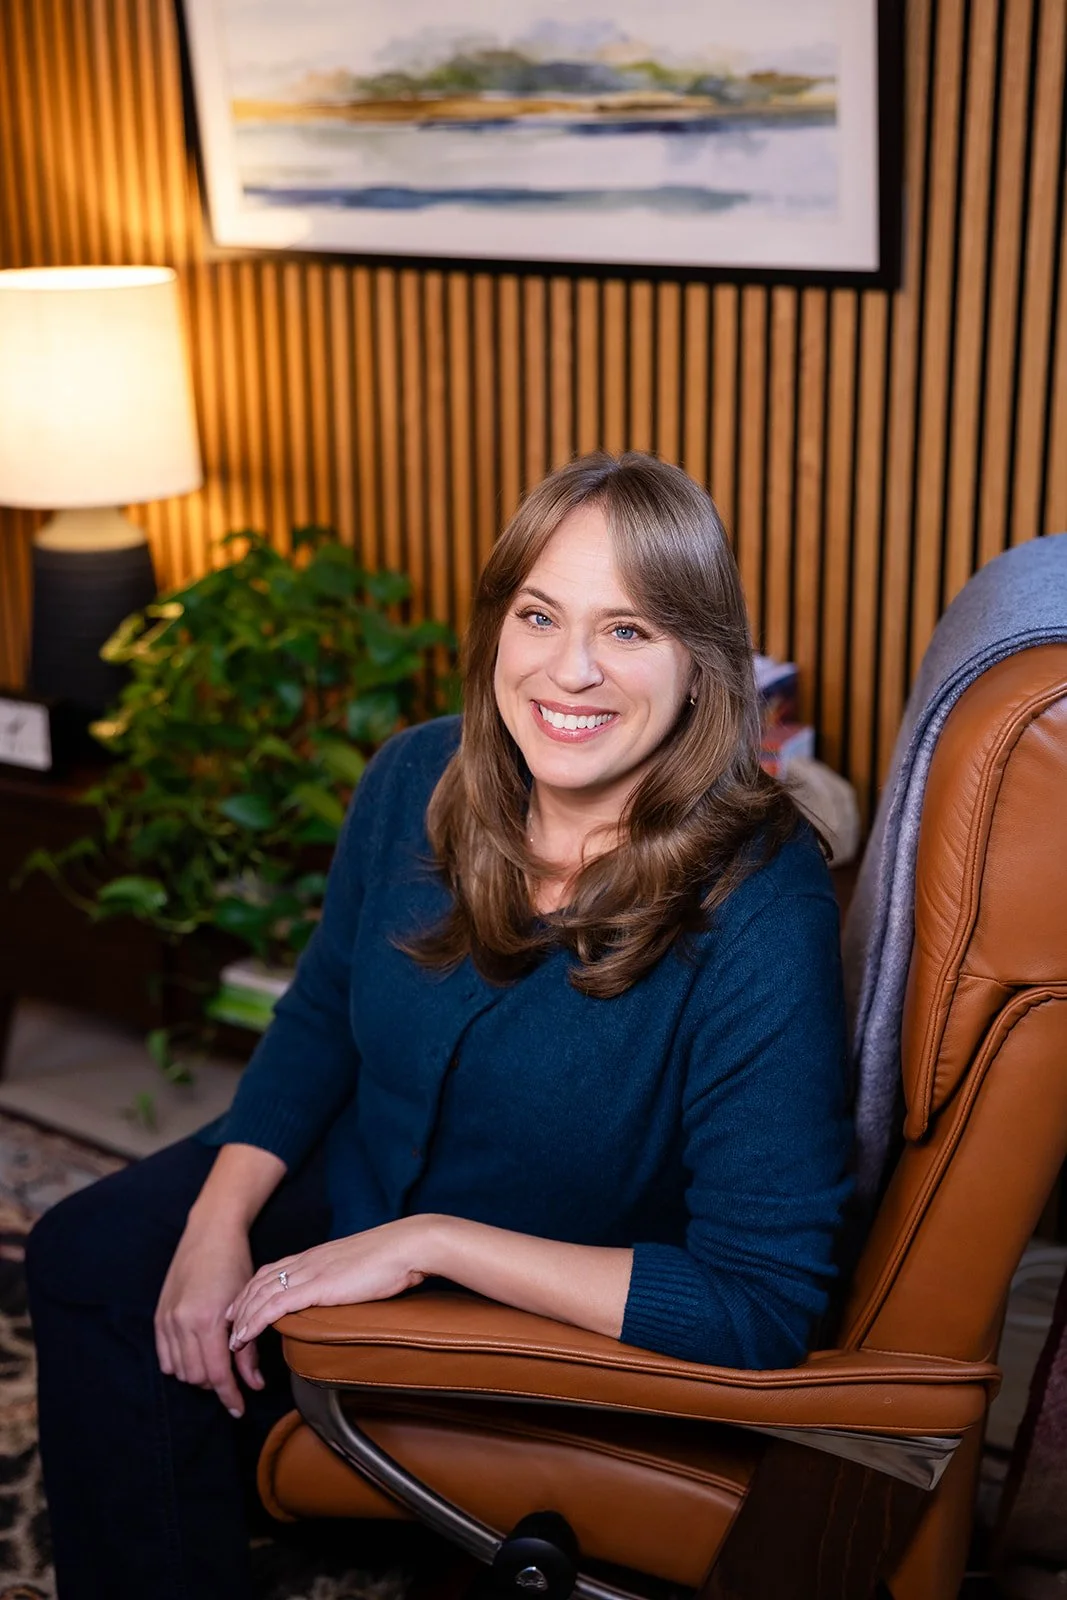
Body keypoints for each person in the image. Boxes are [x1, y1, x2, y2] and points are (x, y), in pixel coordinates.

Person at [26, 451, 854, 1600]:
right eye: (538, 614)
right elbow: (321, 1010)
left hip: (544, 1286)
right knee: (94, 1259)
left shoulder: (762, 903)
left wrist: (430, 1243)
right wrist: (220, 1219)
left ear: (701, 665)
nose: (570, 670)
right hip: (372, 1175)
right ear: (495, 629)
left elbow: (758, 1303)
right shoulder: (420, 771)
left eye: (628, 630)